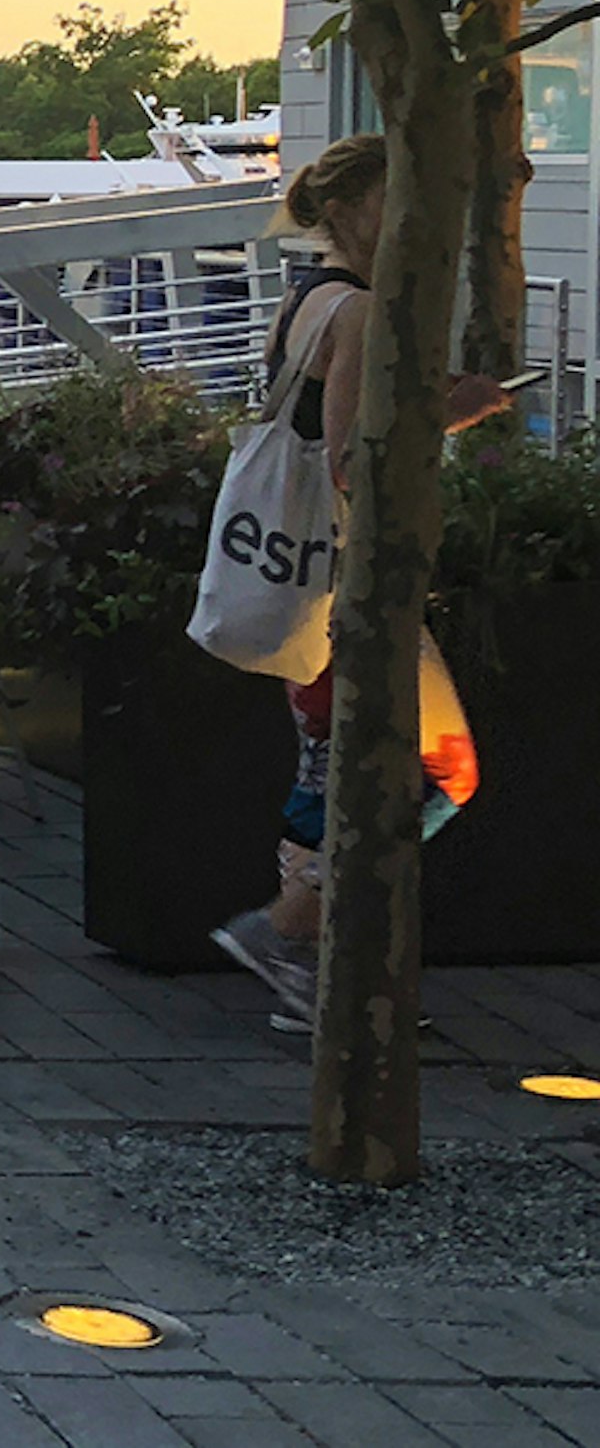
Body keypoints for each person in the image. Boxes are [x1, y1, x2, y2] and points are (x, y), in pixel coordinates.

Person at [207, 135, 512, 1029]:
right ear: (345, 211)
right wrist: (447, 413)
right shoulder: (359, 310)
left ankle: (312, 974)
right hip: (349, 584)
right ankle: (286, 932)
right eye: (397, 201)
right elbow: (351, 461)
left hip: (306, 583)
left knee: (329, 767)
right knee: (434, 773)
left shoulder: (307, 300)